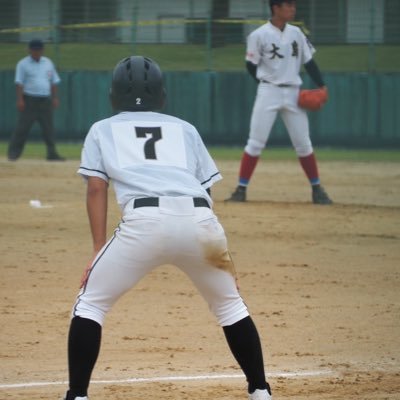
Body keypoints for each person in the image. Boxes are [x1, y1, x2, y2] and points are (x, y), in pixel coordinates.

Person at [62, 56, 272, 400]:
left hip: (144, 223)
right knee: (231, 307)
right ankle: (260, 391)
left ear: (113, 94)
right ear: (163, 94)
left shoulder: (102, 128)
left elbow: (96, 187)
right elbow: (206, 193)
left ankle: (78, 396)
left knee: (90, 305)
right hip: (201, 223)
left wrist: (99, 249)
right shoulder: (184, 128)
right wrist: (222, 258)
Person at [226, 0, 332, 205]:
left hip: (293, 92)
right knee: (255, 142)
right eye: (288, 5)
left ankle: (317, 189)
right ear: (276, 8)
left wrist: (322, 85)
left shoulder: (297, 33)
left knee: (303, 144)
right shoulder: (258, 35)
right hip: (269, 91)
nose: (293, 9)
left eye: (293, 5)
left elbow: (308, 62)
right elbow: (250, 65)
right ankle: (241, 189)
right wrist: (265, 83)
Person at [8, 38, 64, 161]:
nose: (37, 52)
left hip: (45, 100)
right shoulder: (23, 64)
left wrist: (55, 98)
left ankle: (52, 154)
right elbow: (19, 83)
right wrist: (20, 100)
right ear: (29, 50)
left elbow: (54, 82)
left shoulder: (48, 62)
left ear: (42, 50)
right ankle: (13, 154)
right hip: (30, 100)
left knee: (48, 129)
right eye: (34, 50)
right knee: (22, 128)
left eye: (39, 49)